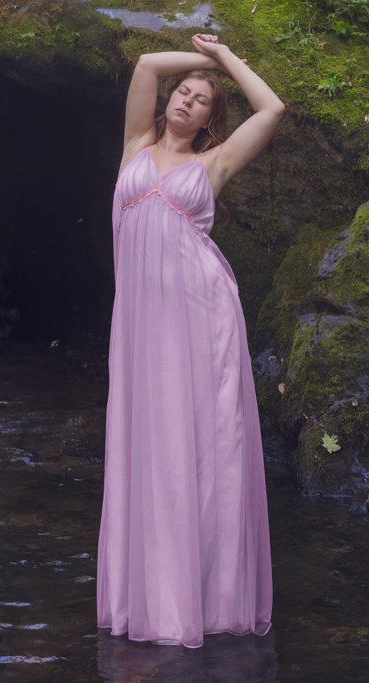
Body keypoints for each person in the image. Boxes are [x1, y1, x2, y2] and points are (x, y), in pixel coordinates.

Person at [96, 34, 285, 648]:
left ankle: (207, 601)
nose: (187, 101)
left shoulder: (214, 166)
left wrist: (229, 62)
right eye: (184, 92)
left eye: (202, 101)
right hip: (141, 329)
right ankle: (155, 597)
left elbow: (273, 110)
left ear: (210, 121)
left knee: (204, 450)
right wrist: (203, 57)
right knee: (151, 449)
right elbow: (148, 63)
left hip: (202, 322)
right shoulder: (135, 148)